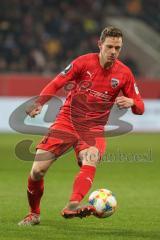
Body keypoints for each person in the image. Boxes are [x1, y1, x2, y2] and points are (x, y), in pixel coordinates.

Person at [18, 26, 144, 226]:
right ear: (100, 45)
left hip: (93, 128)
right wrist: (39, 103)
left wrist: (132, 103)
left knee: (90, 159)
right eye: (110, 46)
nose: (113, 52)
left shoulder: (124, 74)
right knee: (37, 171)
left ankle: (73, 205)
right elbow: (57, 82)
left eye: (118, 48)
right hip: (67, 120)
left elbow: (140, 106)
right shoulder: (83, 62)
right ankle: (34, 214)